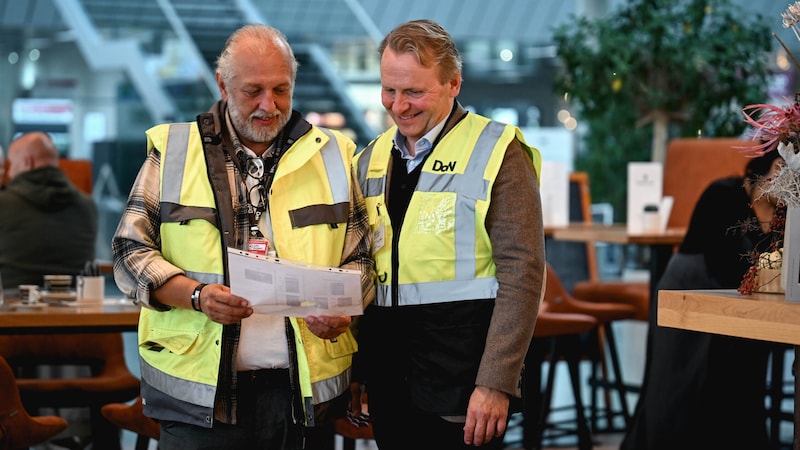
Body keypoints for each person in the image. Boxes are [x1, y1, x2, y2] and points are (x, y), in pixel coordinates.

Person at [111, 24, 375, 450]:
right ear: (223, 84)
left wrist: (343, 308)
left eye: (280, 90)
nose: (268, 105)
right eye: (253, 91)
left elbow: (362, 258)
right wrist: (196, 296)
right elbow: (128, 252)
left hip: (302, 399)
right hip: (199, 399)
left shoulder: (335, 154)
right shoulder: (175, 150)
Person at [351, 19, 545, 450]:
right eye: (389, 90)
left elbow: (523, 273)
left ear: (454, 83)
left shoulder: (498, 151)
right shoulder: (370, 157)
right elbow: (366, 270)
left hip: (463, 381)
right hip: (389, 376)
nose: (399, 106)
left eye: (414, 92)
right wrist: (359, 371)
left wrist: (497, 382)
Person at [620, 151, 786, 450]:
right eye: (782, 167)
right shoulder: (723, 194)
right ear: (768, 166)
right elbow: (724, 263)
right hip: (689, 293)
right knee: (677, 385)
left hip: (740, 301)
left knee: (738, 378)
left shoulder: (783, 217)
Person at [0, 131, 97, 288]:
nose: (9, 174)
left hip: (12, 306)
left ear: (28, 162)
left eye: (11, 165)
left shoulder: (3, 204)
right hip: (75, 307)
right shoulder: (87, 205)